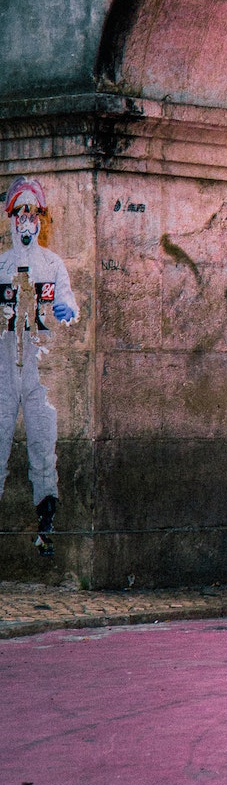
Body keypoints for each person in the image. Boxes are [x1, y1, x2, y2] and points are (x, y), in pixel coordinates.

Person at [0, 178, 78, 554]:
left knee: (43, 447)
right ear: (11, 218)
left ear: (41, 219)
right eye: (20, 213)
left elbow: (70, 305)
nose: (26, 221)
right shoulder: (0, 265)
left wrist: (67, 312)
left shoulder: (53, 264)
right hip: (2, 367)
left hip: (39, 368)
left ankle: (46, 528)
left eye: (33, 213)